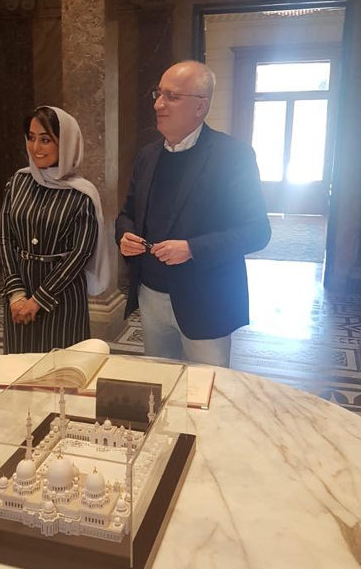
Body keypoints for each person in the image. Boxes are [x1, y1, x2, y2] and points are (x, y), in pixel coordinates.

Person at [115, 60, 270, 366]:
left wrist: (192, 248)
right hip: (151, 294)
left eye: (171, 97)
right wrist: (124, 235)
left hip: (206, 298)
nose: (158, 104)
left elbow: (257, 231)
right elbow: (127, 213)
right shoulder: (147, 156)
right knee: (159, 382)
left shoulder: (233, 156)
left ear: (201, 106)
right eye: (158, 94)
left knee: (206, 387)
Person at [0, 106, 109, 353]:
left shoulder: (82, 194)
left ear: (66, 143)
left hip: (62, 296)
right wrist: (16, 293)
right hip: (20, 294)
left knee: (62, 367)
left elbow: (80, 253)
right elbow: (5, 238)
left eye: (45, 140)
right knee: (19, 365)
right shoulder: (17, 183)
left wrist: (39, 300)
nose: (35, 147)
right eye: (31, 137)